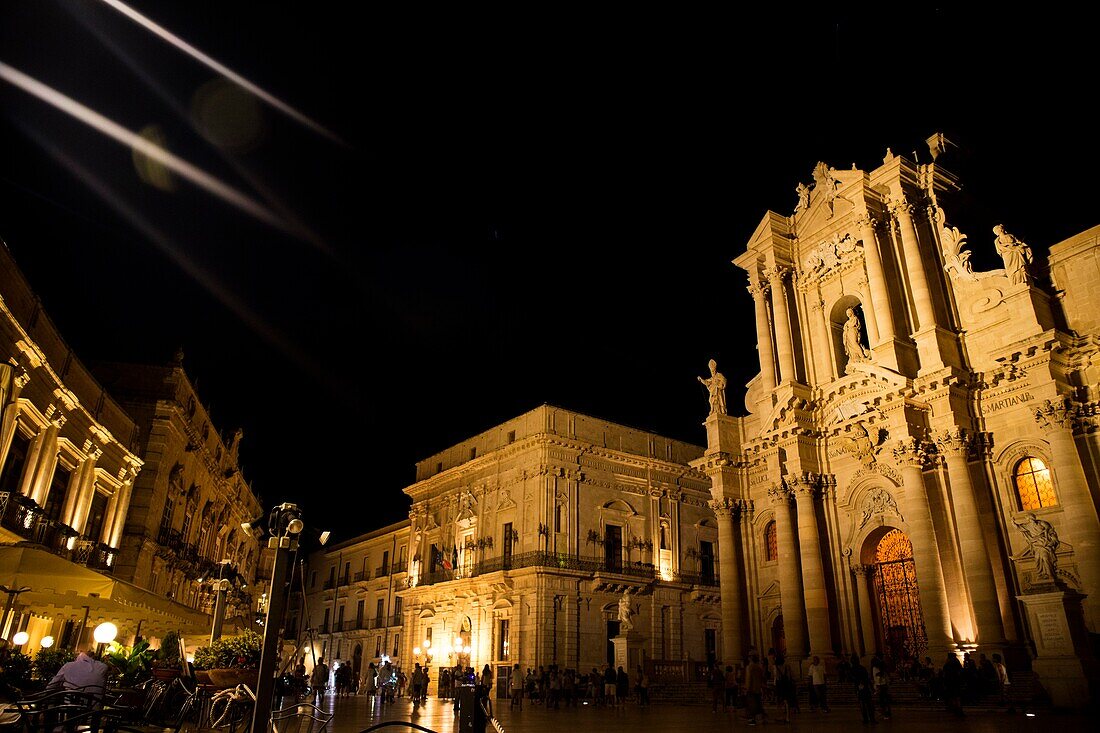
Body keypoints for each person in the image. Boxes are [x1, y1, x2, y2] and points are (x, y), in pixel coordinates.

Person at [1014, 512, 1060, 580]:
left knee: (1045, 558)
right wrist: (1013, 522)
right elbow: (1019, 527)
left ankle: (1050, 574)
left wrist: (1052, 541)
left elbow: (1050, 530)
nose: (1030, 520)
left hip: (1045, 544)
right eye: (1028, 519)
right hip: (1037, 545)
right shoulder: (1028, 526)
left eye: (1030, 518)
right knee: (1038, 559)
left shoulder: (1041, 523)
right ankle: (1041, 574)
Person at [850, 654, 875, 724]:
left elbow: (866, 678)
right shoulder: (860, 668)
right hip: (862, 688)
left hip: (862, 688)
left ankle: (867, 719)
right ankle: (870, 719)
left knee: (865, 705)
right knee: (866, 704)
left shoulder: (855, 669)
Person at [743, 653, 765, 726]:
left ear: (750, 658)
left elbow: (748, 678)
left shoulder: (749, 667)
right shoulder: (759, 667)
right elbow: (762, 678)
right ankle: (761, 719)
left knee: (751, 704)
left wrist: (746, 688)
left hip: (751, 689)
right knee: (758, 704)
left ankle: (752, 719)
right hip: (758, 688)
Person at [871, 652, 891, 720]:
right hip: (882, 684)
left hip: (881, 685)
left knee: (883, 700)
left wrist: (877, 686)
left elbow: (878, 678)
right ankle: (886, 713)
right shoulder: (878, 667)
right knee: (884, 700)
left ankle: (885, 713)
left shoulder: (877, 668)